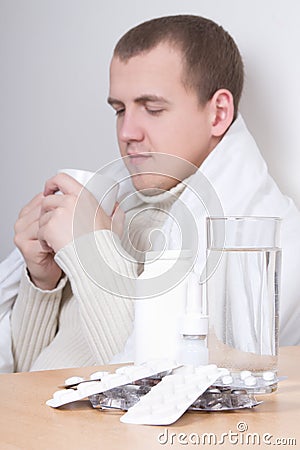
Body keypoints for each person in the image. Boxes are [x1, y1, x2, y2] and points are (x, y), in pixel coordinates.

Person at [5, 14, 300, 372]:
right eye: (119, 110)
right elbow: (25, 377)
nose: (128, 131)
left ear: (218, 113)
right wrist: (42, 283)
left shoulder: (271, 245)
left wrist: (94, 254)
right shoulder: (102, 202)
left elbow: (161, 394)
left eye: (153, 109)